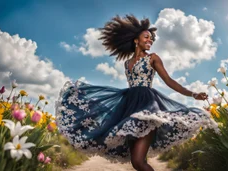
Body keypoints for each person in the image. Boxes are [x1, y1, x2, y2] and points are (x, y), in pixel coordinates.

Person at [55, 14, 213, 171]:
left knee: (138, 161)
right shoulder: (126, 63)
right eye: (146, 37)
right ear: (136, 40)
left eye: (151, 38)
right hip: (129, 107)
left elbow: (169, 81)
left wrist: (192, 94)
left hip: (147, 107)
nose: (150, 40)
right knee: (136, 161)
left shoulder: (153, 58)